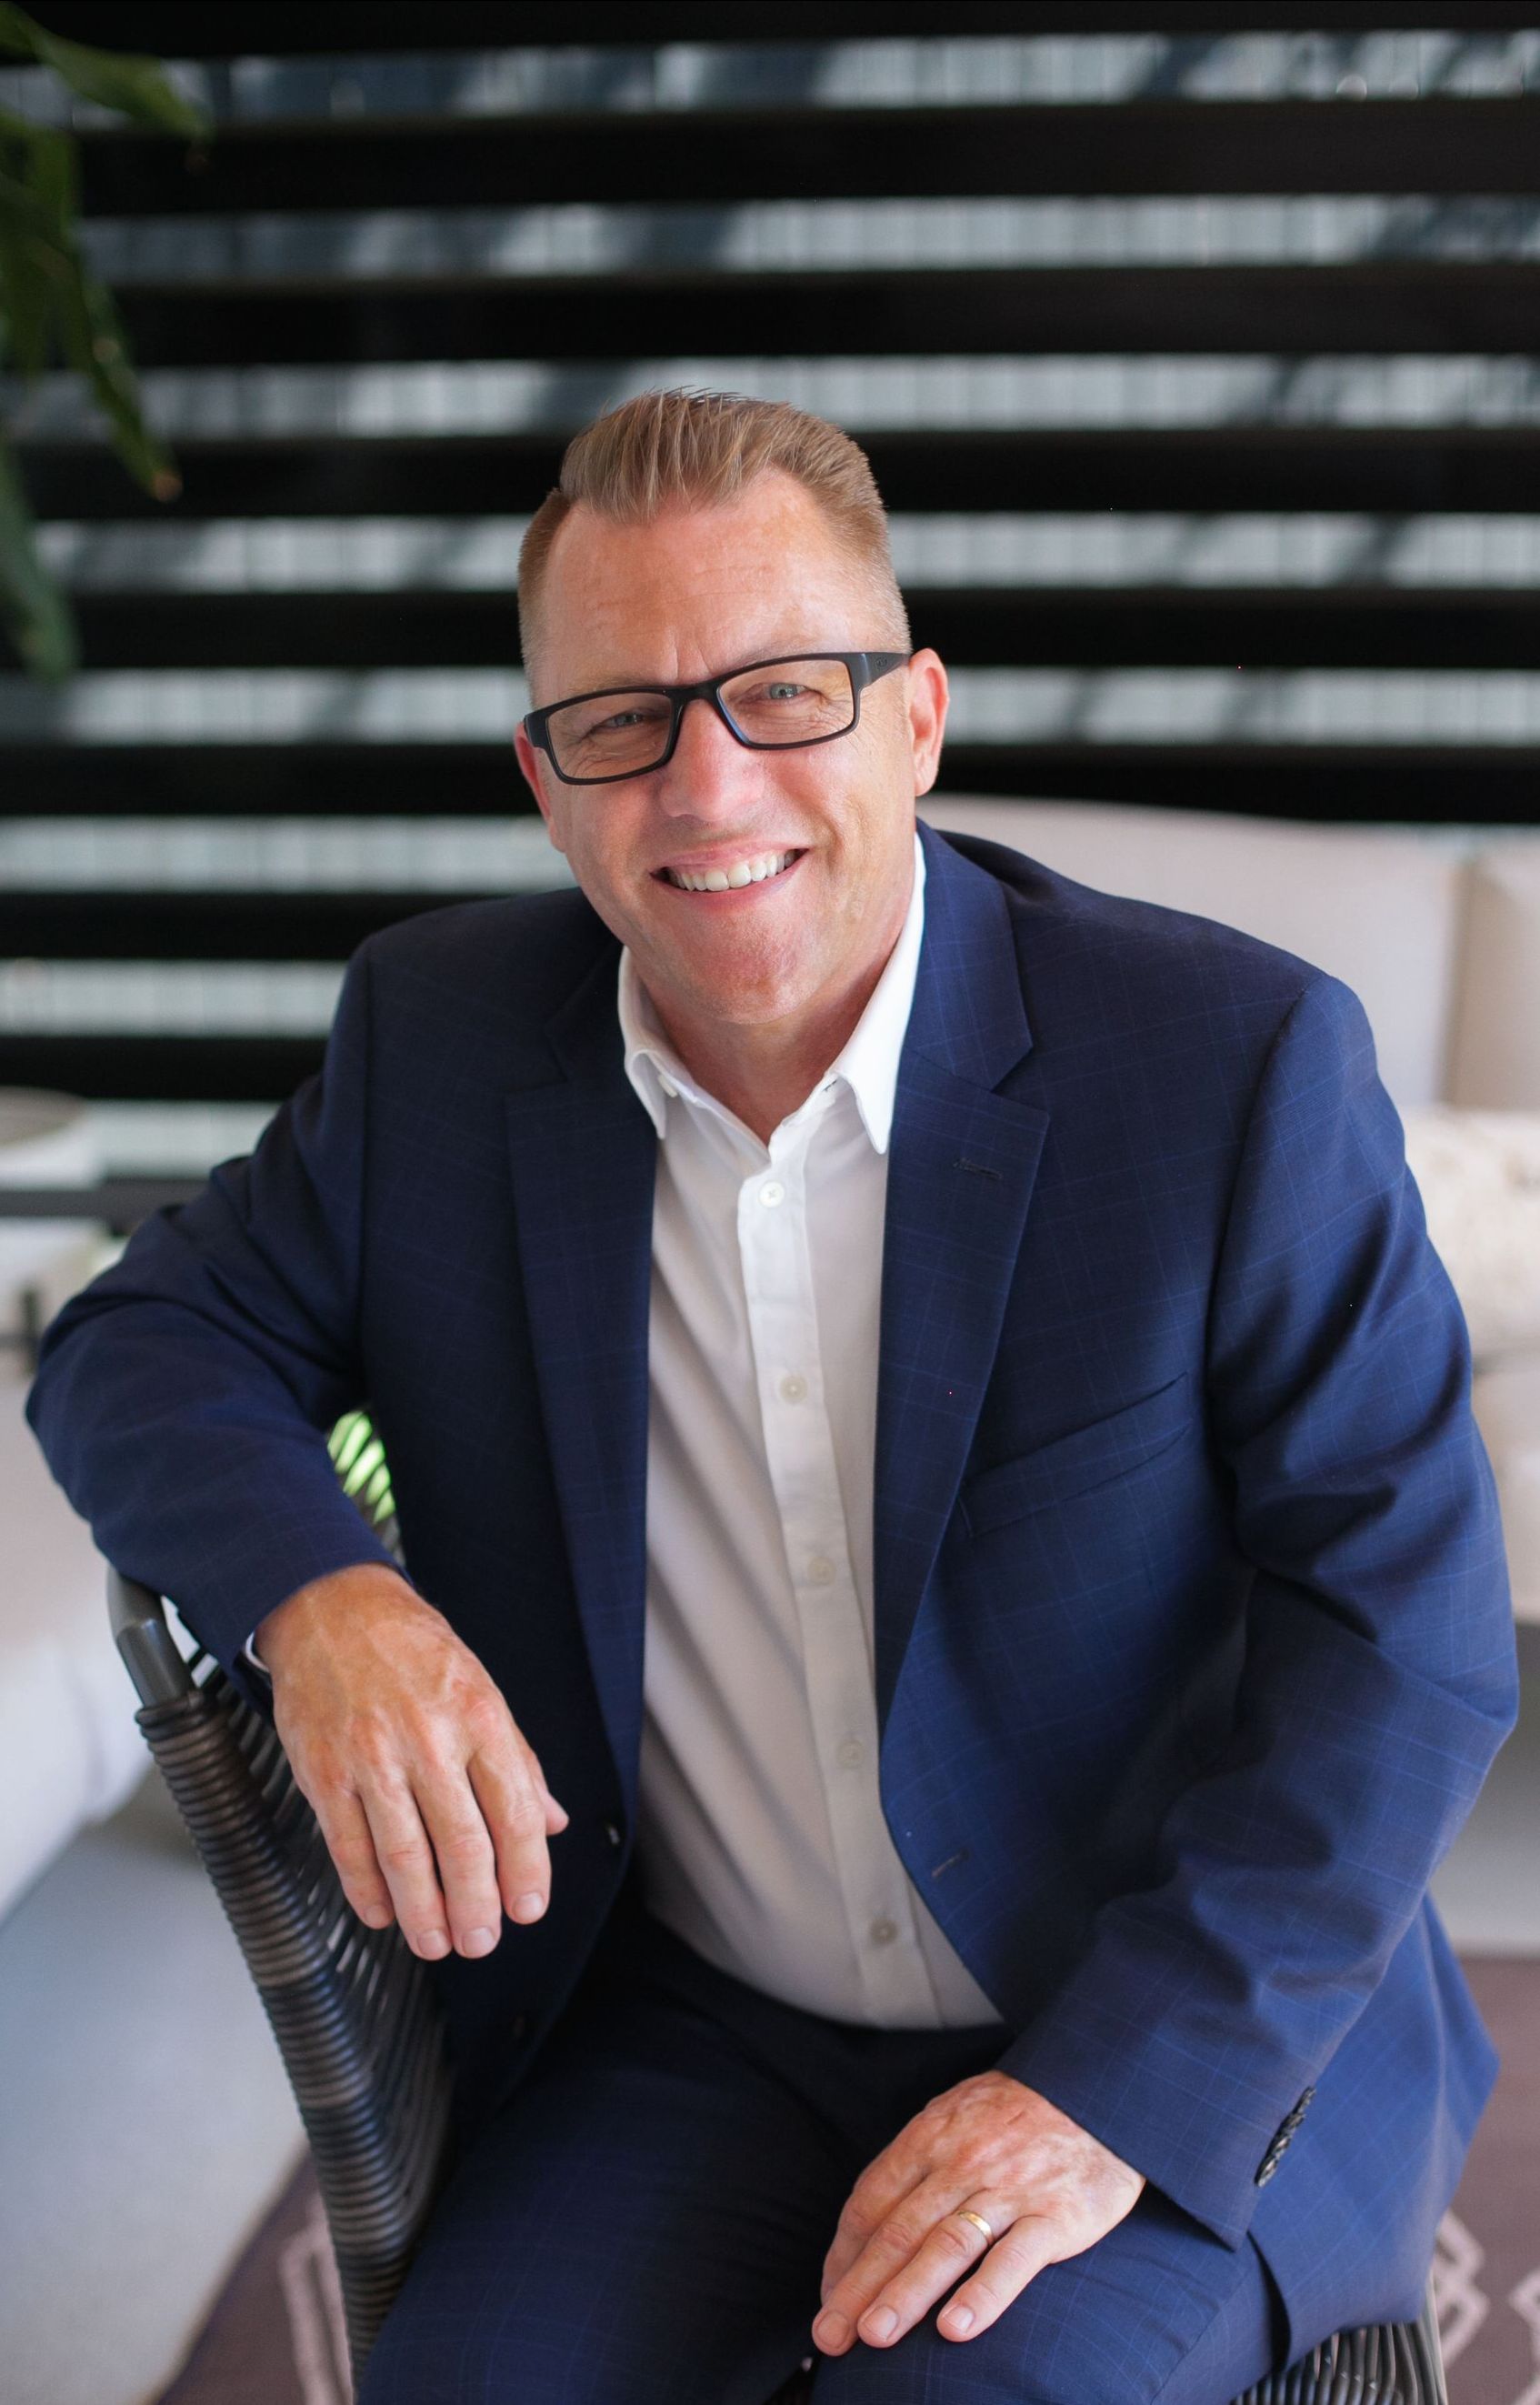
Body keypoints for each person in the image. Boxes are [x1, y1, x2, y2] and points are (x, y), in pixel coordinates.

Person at [26, 389, 1517, 2405]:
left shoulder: (1228, 1066)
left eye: (783, 692)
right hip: (693, 2031)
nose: (706, 788)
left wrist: (1094, 2099)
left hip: (1144, 2024)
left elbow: (1405, 1650)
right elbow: (139, 1340)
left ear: (915, 719)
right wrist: (325, 1597)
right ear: (546, 784)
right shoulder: (438, 1048)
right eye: (621, 719)